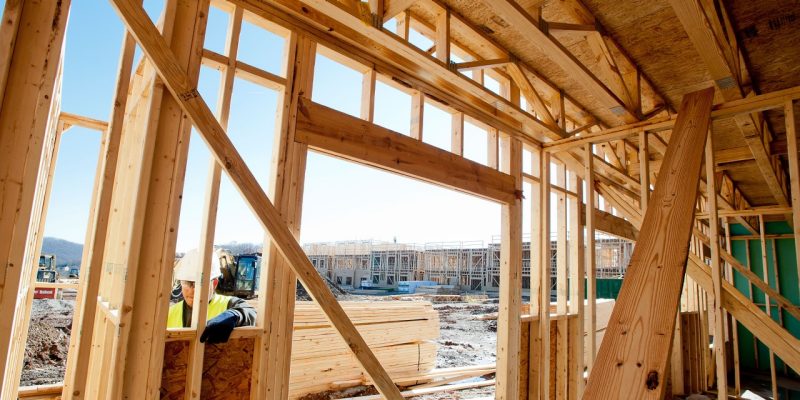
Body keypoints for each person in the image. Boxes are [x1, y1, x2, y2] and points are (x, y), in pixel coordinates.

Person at [167, 249, 256, 344]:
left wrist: (233, 316)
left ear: (215, 283)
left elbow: (252, 314)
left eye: (200, 284)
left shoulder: (228, 304)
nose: (193, 290)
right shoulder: (170, 313)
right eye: (187, 283)